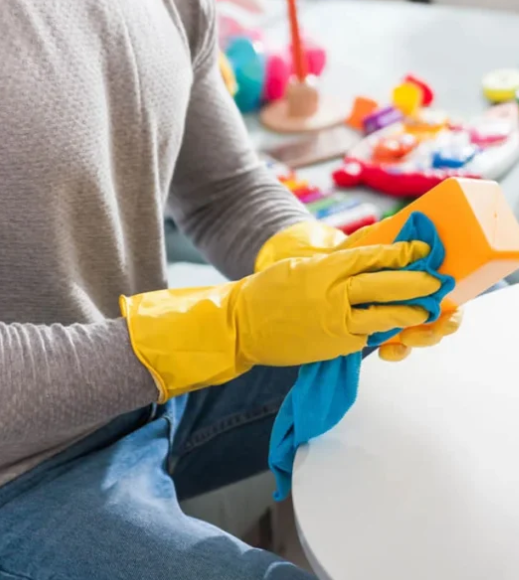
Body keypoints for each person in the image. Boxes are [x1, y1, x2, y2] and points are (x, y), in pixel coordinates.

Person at [0, 1, 464, 578]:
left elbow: (223, 191)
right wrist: (232, 326)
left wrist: (317, 264)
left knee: (470, 318)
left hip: (148, 391)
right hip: (18, 472)